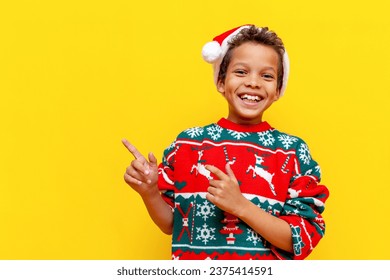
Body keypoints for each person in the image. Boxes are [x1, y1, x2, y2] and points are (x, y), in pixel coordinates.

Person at [122, 24, 329, 260]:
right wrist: (149, 192)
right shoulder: (188, 145)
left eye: (267, 75)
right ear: (221, 82)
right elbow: (171, 224)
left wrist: (240, 206)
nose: (253, 82)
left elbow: (300, 239)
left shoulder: (293, 153)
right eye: (241, 72)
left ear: (278, 89)